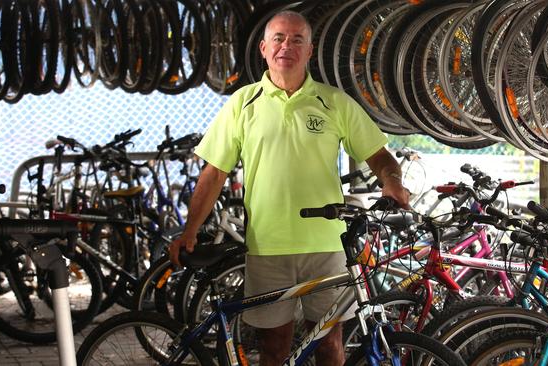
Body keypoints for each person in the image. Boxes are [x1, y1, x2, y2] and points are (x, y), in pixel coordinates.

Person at [169, 10, 409, 366]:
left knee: (329, 346)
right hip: (268, 246)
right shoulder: (242, 103)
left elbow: (380, 157)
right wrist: (190, 230)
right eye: (279, 38)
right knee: (273, 349)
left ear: (309, 51)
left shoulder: (334, 102)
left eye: (297, 39)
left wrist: (393, 182)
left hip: (326, 246)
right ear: (264, 48)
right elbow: (213, 173)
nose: (287, 46)